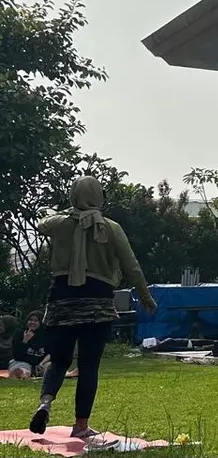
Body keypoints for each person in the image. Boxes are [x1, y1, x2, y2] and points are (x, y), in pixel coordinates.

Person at [28, 176, 158, 445]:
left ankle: (45, 404)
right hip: (97, 302)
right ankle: (80, 426)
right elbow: (131, 265)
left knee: (59, 360)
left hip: (62, 299)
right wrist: (145, 296)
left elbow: (42, 221)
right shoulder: (111, 228)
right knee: (88, 366)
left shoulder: (60, 223)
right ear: (99, 196)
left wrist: (66, 212)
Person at [10, 311, 49, 379]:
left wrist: (42, 363)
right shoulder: (19, 333)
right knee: (19, 367)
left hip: (42, 362)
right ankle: (23, 373)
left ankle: (66, 374)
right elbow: (16, 355)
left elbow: (51, 353)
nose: (32, 322)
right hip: (23, 362)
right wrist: (25, 341)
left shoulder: (46, 334)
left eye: (36, 321)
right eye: (30, 320)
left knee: (50, 367)